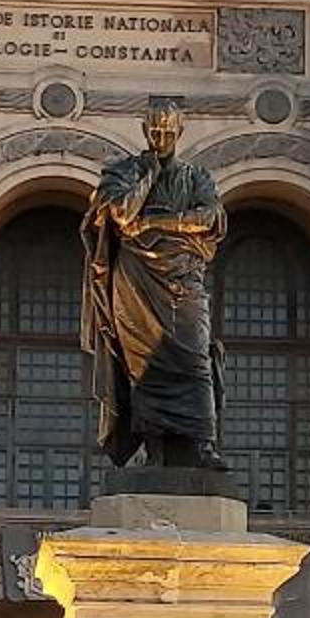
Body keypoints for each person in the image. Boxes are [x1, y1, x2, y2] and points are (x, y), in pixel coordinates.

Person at [80, 100, 229, 470]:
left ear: (180, 131)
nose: (161, 139)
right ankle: (154, 450)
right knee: (143, 367)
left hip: (182, 277)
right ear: (145, 131)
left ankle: (204, 445)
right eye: (155, 132)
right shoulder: (123, 172)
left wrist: (154, 225)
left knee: (195, 357)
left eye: (168, 132)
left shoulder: (196, 177)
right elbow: (120, 213)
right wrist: (147, 173)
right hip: (135, 281)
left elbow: (209, 217)